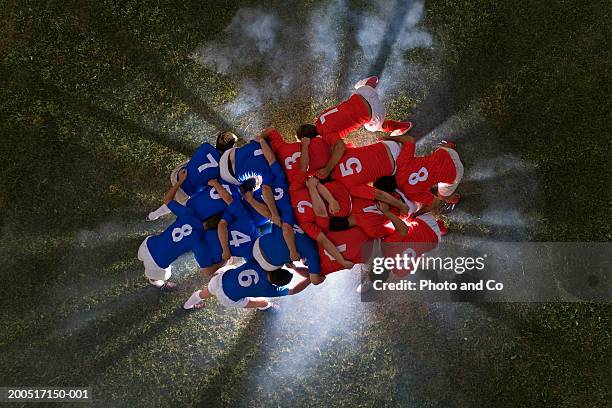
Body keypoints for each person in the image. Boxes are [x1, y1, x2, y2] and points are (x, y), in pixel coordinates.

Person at [296, 76, 412, 180]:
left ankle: (403, 126)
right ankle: (371, 81)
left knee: (373, 128)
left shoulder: (325, 134)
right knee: (356, 95)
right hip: (363, 93)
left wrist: (327, 169)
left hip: (375, 112)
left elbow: (340, 147)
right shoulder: (320, 118)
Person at [137, 169, 212, 291]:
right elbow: (207, 270)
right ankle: (160, 285)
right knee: (156, 279)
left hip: (147, 245)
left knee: (144, 259)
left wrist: (180, 181)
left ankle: (151, 217)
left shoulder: (189, 214)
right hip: (159, 265)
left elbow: (168, 201)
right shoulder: (199, 239)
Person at [147, 131, 238, 221]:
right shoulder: (222, 169)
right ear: (230, 148)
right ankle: (153, 216)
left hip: (178, 173)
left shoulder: (205, 146)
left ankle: (153, 215)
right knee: (176, 203)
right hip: (185, 191)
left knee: (192, 162)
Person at [182, 259, 311, 310]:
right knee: (263, 303)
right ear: (276, 284)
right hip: (227, 299)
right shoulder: (269, 290)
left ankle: (187, 306)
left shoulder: (258, 263)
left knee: (202, 294)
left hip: (220, 280)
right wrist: (310, 279)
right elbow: (293, 290)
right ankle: (270, 306)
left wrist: (291, 265)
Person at [391, 135, 464, 215]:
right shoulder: (401, 164)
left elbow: (434, 202)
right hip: (448, 153)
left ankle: (453, 200)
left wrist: (416, 214)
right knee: (437, 154)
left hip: (457, 172)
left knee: (442, 197)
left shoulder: (410, 193)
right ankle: (449, 145)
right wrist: (388, 138)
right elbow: (409, 140)